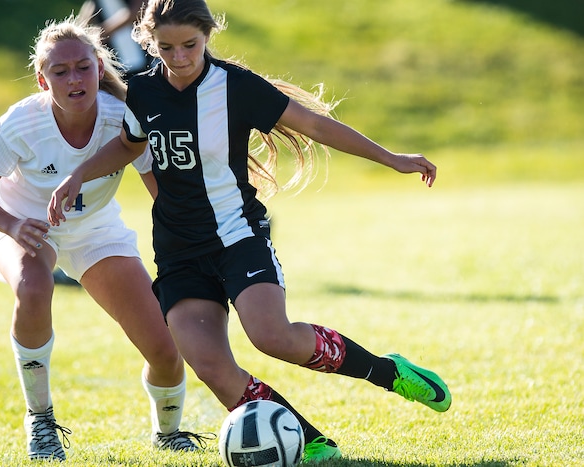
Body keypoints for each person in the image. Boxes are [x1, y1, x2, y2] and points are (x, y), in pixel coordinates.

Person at [47, 0, 452, 462]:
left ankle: (387, 371)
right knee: (211, 366)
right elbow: (127, 145)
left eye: (190, 46)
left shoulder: (237, 88)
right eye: (166, 48)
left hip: (238, 237)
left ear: (208, 36)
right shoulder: (143, 92)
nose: (178, 58)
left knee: (272, 336)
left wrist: (391, 158)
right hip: (179, 253)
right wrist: (78, 174)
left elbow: (315, 125)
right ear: (149, 41)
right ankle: (310, 440)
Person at [0, 15, 210, 461]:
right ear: (43, 80)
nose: (74, 78)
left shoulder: (124, 118)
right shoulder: (20, 124)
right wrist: (14, 226)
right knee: (34, 287)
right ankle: (40, 421)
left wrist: (195, 248)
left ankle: (169, 433)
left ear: (98, 66)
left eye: (83, 67)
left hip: (96, 228)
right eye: (60, 72)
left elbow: (164, 196)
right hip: (24, 224)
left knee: (166, 349)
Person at [78, 0, 151, 78]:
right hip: (113, 62)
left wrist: (104, 31)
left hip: (138, 56)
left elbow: (141, 8)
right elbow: (92, 6)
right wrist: (81, 32)